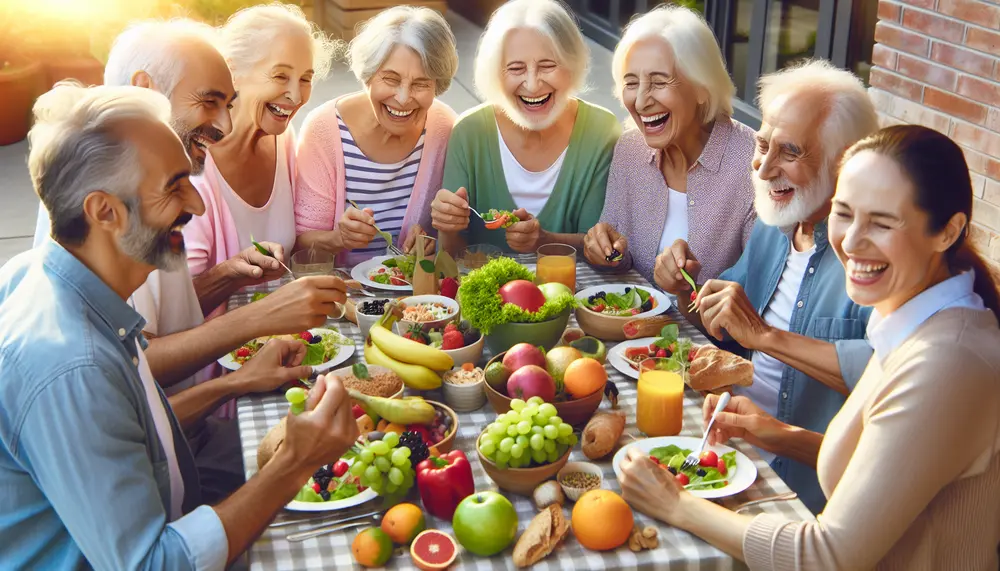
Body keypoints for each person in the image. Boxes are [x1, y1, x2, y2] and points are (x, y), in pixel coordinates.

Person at [0, 83, 358, 570]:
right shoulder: (71, 364)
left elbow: (132, 430)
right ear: (104, 211)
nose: (198, 205)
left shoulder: (41, 271)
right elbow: (154, 563)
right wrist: (295, 463)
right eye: (174, 186)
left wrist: (236, 381)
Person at [621, 124, 1000, 571]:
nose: (852, 241)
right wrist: (778, 434)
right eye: (843, 213)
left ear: (947, 232)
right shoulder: (910, 322)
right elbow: (889, 473)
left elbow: (827, 554)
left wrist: (675, 504)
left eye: (882, 222)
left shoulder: (948, 362)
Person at [30, 20, 349, 501]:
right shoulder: (108, 208)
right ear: (145, 91)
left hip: (183, 431)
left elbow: (139, 374)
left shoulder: (149, 185)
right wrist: (255, 320)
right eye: (209, 102)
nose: (222, 126)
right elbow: (129, 368)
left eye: (228, 102)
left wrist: (235, 378)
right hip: (157, 470)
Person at [660, 60, 879, 513]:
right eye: (762, 145)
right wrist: (687, 293)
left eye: (791, 152)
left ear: (846, 163)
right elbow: (725, 329)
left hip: (801, 490)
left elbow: (883, 373)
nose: (763, 170)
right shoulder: (774, 224)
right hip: (726, 445)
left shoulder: (869, 261)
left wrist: (764, 336)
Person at [430, 0, 621, 255]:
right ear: (496, 73)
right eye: (516, 68)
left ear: (572, 65)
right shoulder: (469, 131)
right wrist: (447, 227)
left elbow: (599, 246)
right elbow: (450, 255)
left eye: (547, 65)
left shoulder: (601, 130)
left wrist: (543, 240)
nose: (532, 85)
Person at [584, 5, 755, 284]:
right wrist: (604, 250)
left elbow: (755, 297)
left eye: (659, 82)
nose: (640, 102)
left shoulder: (753, 164)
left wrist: (687, 294)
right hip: (632, 323)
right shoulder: (630, 149)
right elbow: (619, 258)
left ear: (703, 87)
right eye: (631, 83)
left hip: (704, 329)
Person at [294, 6, 458, 265]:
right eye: (390, 80)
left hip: (415, 298)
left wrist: (432, 241)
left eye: (421, 84)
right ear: (368, 75)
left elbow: (452, 236)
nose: (403, 99)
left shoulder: (444, 128)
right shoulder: (324, 130)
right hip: (341, 294)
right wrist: (339, 238)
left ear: (437, 86)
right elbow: (300, 243)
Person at [184, 3, 335, 279]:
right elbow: (177, 309)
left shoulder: (284, 140)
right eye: (280, 75)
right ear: (232, 73)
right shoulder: (192, 166)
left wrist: (340, 238)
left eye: (305, 79)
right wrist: (231, 275)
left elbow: (293, 247)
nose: (296, 96)